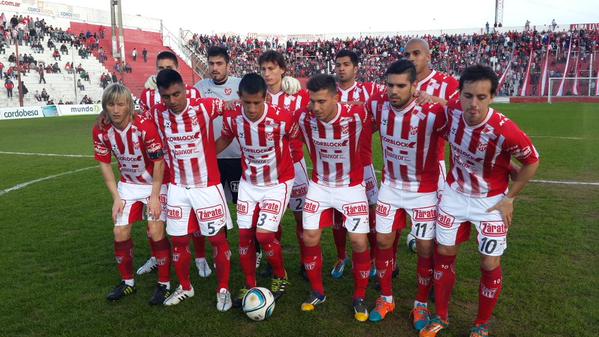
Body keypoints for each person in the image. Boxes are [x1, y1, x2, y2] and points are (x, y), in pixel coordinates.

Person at [419, 65, 540, 337]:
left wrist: (510, 198)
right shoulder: (451, 110)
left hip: (491, 203)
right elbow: (439, 104)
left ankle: (481, 324)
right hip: (454, 196)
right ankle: (441, 316)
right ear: (459, 94)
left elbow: (532, 161)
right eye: (468, 95)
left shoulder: (505, 130)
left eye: (481, 97)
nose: (473, 104)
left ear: (492, 97)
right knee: (445, 255)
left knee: (489, 263)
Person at [366, 60, 446, 323]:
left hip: (423, 190)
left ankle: (421, 303)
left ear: (414, 86)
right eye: (390, 85)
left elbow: (465, 117)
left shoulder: (433, 111)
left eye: (401, 86)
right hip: (390, 186)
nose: (393, 91)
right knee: (382, 241)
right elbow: (352, 108)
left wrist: (441, 101)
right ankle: (386, 298)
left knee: (424, 247)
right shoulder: (378, 105)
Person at [149, 69, 233, 311]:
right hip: (177, 188)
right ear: (160, 96)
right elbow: (130, 115)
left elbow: (238, 104)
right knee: (178, 240)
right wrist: (105, 114)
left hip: (207, 186)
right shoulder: (156, 113)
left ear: (185, 88)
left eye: (176, 94)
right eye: (166, 97)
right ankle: (186, 287)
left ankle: (223, 289)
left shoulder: (205, 106)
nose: (172, 101)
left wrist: (269, 97)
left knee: (217, 239)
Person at [295, 74, 372, 322]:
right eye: (312, 101)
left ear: (336, 98)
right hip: (319, 185)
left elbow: (389, 106)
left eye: (322, 101)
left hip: (351, 187)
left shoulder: (357, 114)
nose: (316, 107)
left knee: (359, 241)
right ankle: (317, 291)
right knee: (309, 236)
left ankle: (359, 296)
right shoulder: (304, 117)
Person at [215, 73, 294, 306]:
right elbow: (225, 139)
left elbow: (297, 138)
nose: (251, 108)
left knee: (264, 234)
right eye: (246, 102)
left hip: (277, 183)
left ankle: (281, 276)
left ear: (265, 98)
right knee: (244, 237)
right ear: (239, 98)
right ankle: (250, 283)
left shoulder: (282, 118)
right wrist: (204, 156)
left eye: (256, 103)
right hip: (249, 183)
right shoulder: (233, 118)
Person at [92, 83, 172, 305]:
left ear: (129, 105)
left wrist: (155, 197)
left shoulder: (144, 126)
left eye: (120, 104)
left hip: (155, 184)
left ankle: (164, 284)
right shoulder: (100, 129)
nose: (116, 110)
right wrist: (116, 197)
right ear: (104, 107)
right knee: (120, 231)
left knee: (155, 229)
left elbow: (159, 163)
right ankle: (128, 283)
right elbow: (105, 164)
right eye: (111, 105)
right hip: (128, 185)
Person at [137, 51, 211, 278]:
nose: (164, 71)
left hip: (185, 168)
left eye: (169, 67)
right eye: (160, 68)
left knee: (193, 217)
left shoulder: (193, 93)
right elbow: (138, 120)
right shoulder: (148, 95)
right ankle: (155, 256)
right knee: (154, 218)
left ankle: (200, 257)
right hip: (159, 168)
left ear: (178, 69)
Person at [404, 37, 462, 325]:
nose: (412, 58)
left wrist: (437, 101)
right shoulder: (401, 80)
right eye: (408, 54)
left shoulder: (447, 83)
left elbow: (461, 112)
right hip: (401, 168)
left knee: (437, 236)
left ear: (428, 56)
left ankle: (434, 287)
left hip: (433, 167)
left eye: (417, 53)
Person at [330, 49, 384, 280]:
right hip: (335, 165)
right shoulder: (329, 92)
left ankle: (371, 258)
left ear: (356, 68)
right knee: (337, 215)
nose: (341, 68)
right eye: (338, 64)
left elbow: (386, 109)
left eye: (346, 64)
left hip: (363, 162)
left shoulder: (370, 90)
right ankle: (342, 257)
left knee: (371, 213)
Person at [258, 50, 310, 278]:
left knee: (302, 217)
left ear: (282, 69)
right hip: (270, 169)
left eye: (271, 68)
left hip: (296, 164)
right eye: (263, 69)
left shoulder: (298, 96)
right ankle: (273, 261)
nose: (267, 74)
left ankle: (306, 260)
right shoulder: (258, 96)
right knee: (272, 220)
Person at [195, 46, 242, 206]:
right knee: (213, 205)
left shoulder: (241, 85)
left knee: (244, 206)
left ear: (228, 65)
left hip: (239, 156)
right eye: (211, 63)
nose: (215, 68)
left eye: (219, 63)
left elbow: (264, 97)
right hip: (212, 158)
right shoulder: (199, 88)